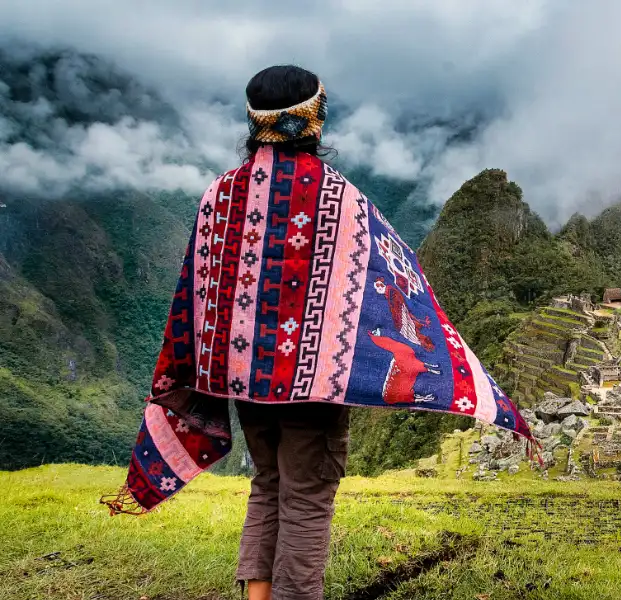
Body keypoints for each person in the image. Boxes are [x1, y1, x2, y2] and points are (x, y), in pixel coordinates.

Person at [104, 65, 536, 600]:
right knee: (307, 498)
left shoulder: (219, 196)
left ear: (253, 121)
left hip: (241, 379)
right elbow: (393, 288)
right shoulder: (339, 200)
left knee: (268, 484)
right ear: (316, 121)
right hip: (313, 387)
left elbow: (199, 290)